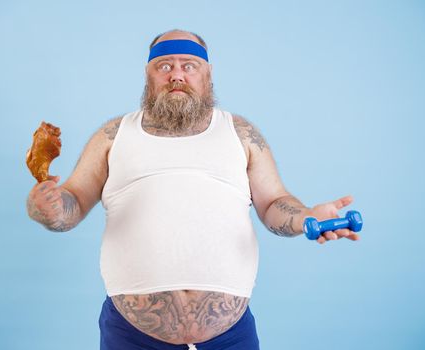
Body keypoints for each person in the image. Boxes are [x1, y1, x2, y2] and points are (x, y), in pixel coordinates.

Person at [26, 29, 360, 350]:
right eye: (164, 65)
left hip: (229, 338)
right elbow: (72, 201)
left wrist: (306, 217)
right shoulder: (113, 136)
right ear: (148, 74)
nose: (177, 75)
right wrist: (48, 208)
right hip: (131, 337)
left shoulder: (241, 134)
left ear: (207, 73)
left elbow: (274, 203)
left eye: (189, 65)